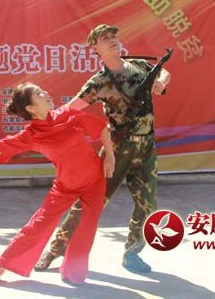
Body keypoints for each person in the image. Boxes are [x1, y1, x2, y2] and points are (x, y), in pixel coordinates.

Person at [0, 82, 115, 287]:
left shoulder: (67, 114)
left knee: (87, 227)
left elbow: (101, 128)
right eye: (38, 93)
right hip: (66, 186)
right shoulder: (31, 135)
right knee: (36, 227)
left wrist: (110, 156)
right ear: (31, 108)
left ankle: (73, 270)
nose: (45, 93)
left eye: (42, 90)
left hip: (95, 178)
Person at [35, 24, 171, 273]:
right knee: (90, 203)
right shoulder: (100, 82)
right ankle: (56, 249)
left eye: (113, 36)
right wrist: (45, 120)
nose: (111, 40)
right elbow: (72, 107)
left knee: (148, 205)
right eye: (104, 38)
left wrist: (160, 81)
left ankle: (132, 253)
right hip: (117, 150)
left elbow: (164, 72)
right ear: (95, 49)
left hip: (146, 148)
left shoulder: (139, 66)